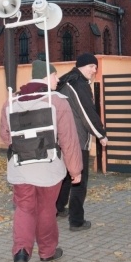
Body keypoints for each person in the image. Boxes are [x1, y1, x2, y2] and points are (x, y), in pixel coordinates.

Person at [0, 59, 82, 262]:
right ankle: (47, 252)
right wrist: (75, 170)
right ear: (46, 76)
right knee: (46, 209)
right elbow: (69, 139)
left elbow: (4, 136)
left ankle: (20, 253)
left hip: (21, 167)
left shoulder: (10, 102)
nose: (57, 80)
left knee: (24, 208)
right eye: (55, 76)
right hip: (49, 168)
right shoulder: (58, 102)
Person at [54, 53, 108, 231]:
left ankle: (57, 208)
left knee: (67, 177)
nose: (94, 71)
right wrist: (100, 134)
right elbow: (87, 113)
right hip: (76, 139)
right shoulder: (78, 84)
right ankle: (76, 221)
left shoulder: (66, 81)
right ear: (84, 66)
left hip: (62, 138)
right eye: (93, 67)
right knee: (79, 180)